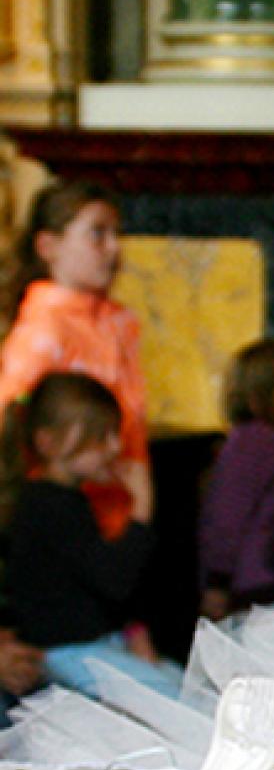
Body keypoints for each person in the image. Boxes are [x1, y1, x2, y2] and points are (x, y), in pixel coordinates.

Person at [0, 371, 179, 698]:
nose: (114, 447)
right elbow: (114, 580)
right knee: (173, 701)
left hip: (91, 646)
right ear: (48, 442)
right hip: (68, 653)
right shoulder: (49, 506)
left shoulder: (63, 500)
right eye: (100, 437)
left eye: (115, 434)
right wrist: (141, 509)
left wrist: (135, 633)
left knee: (180, 686)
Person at [0, 181, 148, 538]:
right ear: (48, 246)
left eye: (117, 234)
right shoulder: (44, 327)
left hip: (120, 512)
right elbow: (10, 411)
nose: (113, 249)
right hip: (66, 523)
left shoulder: (118, 322)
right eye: (97, 234)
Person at [197, 339, 274, 618]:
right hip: (253, 584)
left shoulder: (267, 440)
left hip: (264, 577)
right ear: (261, 393)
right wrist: (217, 581)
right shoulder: (255, 441)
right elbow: (226, 516)